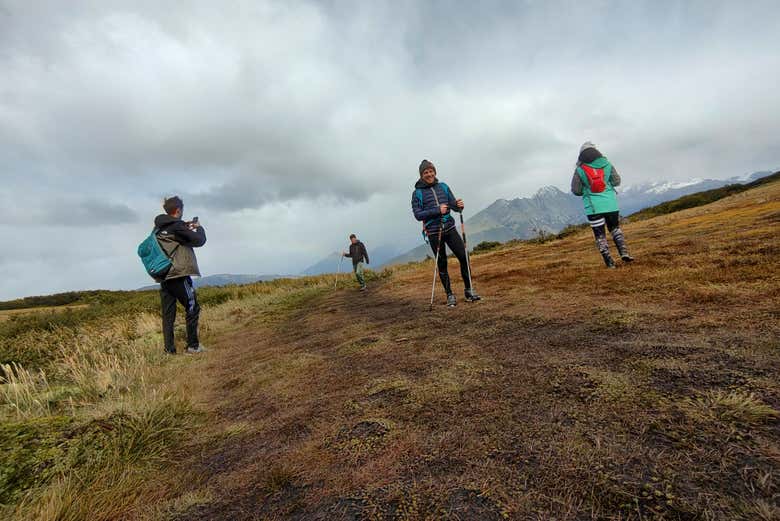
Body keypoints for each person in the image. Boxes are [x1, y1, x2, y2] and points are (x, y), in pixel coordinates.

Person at [412, 159, 481, 307]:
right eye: (426, 172)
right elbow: (418, 215)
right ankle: (449, 295)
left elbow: (453, 205)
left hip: (449, 228)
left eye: (431, 171)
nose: (429, 174)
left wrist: (458, 205)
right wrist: (437, 210)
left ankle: (469, 290)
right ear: (421, 175)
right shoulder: (417, 193)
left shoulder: (443, 187)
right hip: (433, 232)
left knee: (464, 256)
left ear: (434, 172)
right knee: (442, 263)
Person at [154, 196, 207, 354]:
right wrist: (199, 227)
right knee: (192, 307)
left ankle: (169, 350)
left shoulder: (157, 228)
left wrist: (184, 226)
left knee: (168, 314)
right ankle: (193, 345)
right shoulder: (176, 226)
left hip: (164, 275)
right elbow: (199, 240)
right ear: (178, 210)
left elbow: (174, 236)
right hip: (178, 273)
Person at [571, 142, 634, 268]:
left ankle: (610, 263)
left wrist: (587, 189)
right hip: (610, 204)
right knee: (615, 228)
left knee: (600, 235)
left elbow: (576, 190)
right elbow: (617, 181)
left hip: (593, 208)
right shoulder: (607, 164)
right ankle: (624, 252)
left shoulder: (579, 170)